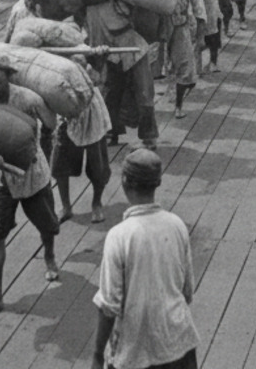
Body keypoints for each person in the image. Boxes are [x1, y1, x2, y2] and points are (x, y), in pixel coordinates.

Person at [0, 55, 60, 320]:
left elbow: (51, 124)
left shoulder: (28, 99)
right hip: (2, 178)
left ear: (8, 76)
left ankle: (49, 256)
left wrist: (38, 146)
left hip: (33, 174)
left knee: (47, 225)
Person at [91, 150, 199, 369]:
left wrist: (97, 354)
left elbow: (109, 306)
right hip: (179, 345)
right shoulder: (177, 225)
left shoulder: (119, 236)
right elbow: (187, 292)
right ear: (157, 183)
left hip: (134, 353)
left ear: (124, 182)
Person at [51, 59, 111, 225]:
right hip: (66, 110)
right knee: (60, 163)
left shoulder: (84, 56)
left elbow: (98, 75)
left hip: (91, 110)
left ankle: (96, 203)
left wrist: (96, 58)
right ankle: (66, 206)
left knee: (98, 165)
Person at [158, 0, 206, 118]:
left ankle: (178, 105)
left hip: (179, 24)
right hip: (158, 24)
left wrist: (200, 36)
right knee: (153, 68)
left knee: (186, 72)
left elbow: (198, 5)